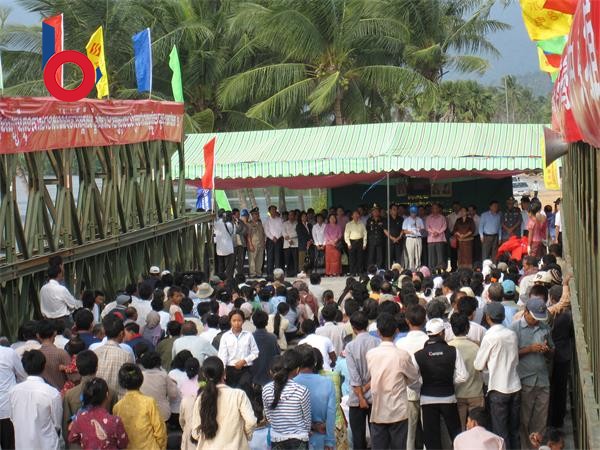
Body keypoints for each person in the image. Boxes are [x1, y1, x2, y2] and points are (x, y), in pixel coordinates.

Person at [366, 313, 419, 450]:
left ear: (378, 332)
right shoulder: (402, 355)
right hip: (398, 411)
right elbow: (414, 378)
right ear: (396, 331)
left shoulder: (371, 354)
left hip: (378, 411)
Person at [414, 318, 468, 450]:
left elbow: (412, 380)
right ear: (442, 333)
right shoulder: (453, 351)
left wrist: (421, 387)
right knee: (455, 434)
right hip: (449, 397)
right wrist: (449, 381)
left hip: (427, 399)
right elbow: (463, 376)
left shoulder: (418, 355)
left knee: (431, 438)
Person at [474, 303, 521, 450]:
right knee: (514, 431)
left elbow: (478, 364)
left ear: (488, 317)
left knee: (501, 433)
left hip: (498, 388)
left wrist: (489, 365)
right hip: (515, 386)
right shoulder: (511, 334)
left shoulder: (490, 337)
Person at [511, 298, 554, 448]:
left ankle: (537, 447)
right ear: (526, 312)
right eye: (534, 317)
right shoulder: (514, 329)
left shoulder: (544, 328)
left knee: (541, 419)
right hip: (525, 380)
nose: (536, 321)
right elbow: (510, 355)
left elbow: (552, 352)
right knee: (524, 419)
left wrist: (547, 350)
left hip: (542, 379)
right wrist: (529, 349)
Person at [191, 356, 257, 450]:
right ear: (224, 373)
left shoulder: (201, 399)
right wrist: (243, 435)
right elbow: (251, 421)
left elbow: (195, 433)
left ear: (205, 376)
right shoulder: (238, 395)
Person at [9, 350, 62, 450]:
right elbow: (57, 424)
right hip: (47, 444)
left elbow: (12, 418)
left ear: (24, 367)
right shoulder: (52, 393)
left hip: (22, 444)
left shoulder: (13, 391)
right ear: (44, 366)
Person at [395, 305, 429, 450]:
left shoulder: (400, 344)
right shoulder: (429, 340)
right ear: (424, 320)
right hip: (427, 390)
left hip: (406, 391)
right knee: (429, 431)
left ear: (407, 321)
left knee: (409, 433)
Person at [262, 350, 312, 449]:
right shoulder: (302, 390)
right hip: (299, 439)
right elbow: (307, 419)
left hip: (277, 439)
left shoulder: (266, 389)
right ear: (297, 370)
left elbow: (269, 416)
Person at [345, 311, 379, 450]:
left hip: (356, 397)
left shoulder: (350, 347)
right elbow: (378, 373)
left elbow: (354, 376)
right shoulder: (378, 342)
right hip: (375, 394)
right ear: (367, 325)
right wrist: (366, 388)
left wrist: (360, 396)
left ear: (353, 328)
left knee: (358, 439)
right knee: (377, 437)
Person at [113, 363, 167, 450]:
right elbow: (160, 431)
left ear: (121, 383)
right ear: (141, 379)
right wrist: (160, 447)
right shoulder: (149, 402)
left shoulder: (117, 408)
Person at [294, 344, 337, 450]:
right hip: (322, 439)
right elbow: (331, 414)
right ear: (314, 362)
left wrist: (311, 426)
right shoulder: (327, 383)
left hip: (298, 440)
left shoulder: (291, 384)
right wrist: (329, 441)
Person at [67, 377, 129, 450]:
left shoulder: (80, 417)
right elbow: (123, 444)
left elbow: (71, 438)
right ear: (107, 395)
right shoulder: (115, 421)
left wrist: (85, 442)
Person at [448, 313, 484, 430]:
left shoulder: (448, 347)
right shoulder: (476, 347)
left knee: (460, 430)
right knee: (478, 429)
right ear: (467, 328)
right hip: (476, 393)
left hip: (457, 394)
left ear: (452, 328)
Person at [218, 309, 259, 399]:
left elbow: (255, 352)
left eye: (239, 320)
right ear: (230, 321)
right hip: (230, 370)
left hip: (245, 370)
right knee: (232, 396)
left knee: (246, 395)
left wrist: (244, 361)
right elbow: (222, 355)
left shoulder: (248, 335)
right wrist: (222, 371)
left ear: (243, 321)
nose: (237, 323)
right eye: (234, 320)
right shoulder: (225, 336)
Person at [547, 285, 572, 428]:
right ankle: (558, 420)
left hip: (550, 356)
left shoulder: (549, 315)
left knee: (550, 387)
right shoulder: (567, 316)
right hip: (564, 355)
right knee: (561, 389)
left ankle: (550, 418)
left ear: (551, 298)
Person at [93, 315, 135, 395]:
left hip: (99, 398)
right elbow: (130, 380)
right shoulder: (126, 356)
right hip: (119, 399)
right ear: (121, 334)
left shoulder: (95, 352)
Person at [138, 350, 180, 422]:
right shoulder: (163, 375)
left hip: (145, 413)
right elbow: (173, 394)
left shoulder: (140, 376)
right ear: (159, 363)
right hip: (162, 414)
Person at [0, 342, 26, 450]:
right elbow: (23, 376)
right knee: (10, 445)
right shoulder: (8, 353)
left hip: (8, 410)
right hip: (8, 409)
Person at [36, 319, 72, 391]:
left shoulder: (35, 355)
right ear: (55, 333)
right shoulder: (62, 353)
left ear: (38, 335)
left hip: (42, 393)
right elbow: (72, 377)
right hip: (62, 394)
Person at [252, 310, 281, 386]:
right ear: (267, 322)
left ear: (254, 323)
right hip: (269, 375)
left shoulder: (250, 337)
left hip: (254, 375)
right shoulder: (273, 337)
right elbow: (278, 353)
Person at [402, 205, 425, 271]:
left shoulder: (419, 219)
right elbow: (404, 231)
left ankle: (418, 268)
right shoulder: (406, 220)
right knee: (410, 254)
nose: (413, 214)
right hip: (410, 238)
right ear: (410, 212)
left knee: (418, 254)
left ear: (416, 212)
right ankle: (411, 269)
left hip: (418, 238)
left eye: (414, 212)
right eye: (412, 212)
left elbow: (422, 229)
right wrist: (411, 232)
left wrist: (419, 229)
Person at [345, 211, 367, 276]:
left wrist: (364, 244)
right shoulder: (348, 224)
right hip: (352, 242)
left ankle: (360, 272)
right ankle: (352, 272)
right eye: (354, 214)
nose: (356, 216)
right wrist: (348, 243)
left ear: (359, 216)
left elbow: (365, 234)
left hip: (360, 241)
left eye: (357, 214)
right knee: (352, 258)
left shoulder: (362, 224)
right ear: (352, 216)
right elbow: (346, 235)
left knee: (360, 258)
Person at [425, 203, 447, 270]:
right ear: (431, 209)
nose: (435, 209)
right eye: (433, 208)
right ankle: (432, 270)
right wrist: (433, 232)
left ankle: (440, 270)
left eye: (436, 208)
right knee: (431, 256)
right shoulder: (428, 217)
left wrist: (438, 232)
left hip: (440, 239)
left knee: (440, 256)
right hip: (431, 239)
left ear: (438, 209)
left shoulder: (442, 217)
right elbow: (427, 227)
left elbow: (444, 226)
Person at [265, 205, 284, 275]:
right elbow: (266, 231)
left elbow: (282, 230)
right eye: (272, 210)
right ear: (269, 211)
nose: (273, 211)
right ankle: (270, 274)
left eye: (274, 210)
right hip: (270, 241)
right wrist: (272, 237)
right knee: (270, 257)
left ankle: (277, 274)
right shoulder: (267, 220)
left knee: (278, 257)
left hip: (278, 240)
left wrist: (277, 237)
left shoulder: (280, 220)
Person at [248, 207, 266, 277]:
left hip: (260, 244)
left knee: (260, 259)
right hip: (253, 244)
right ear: (252, 215)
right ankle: (252, 273)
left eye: (258, 214)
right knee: (252, 260)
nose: (257, 215)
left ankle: (259, 273)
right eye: (256, 214)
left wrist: (264, 242)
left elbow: (263, 234)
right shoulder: (249, 224)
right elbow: (248, 236)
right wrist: (250, 245)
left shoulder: (260, 223)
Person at [283, 210, 299, 276]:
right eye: (289, 215)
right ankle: (289, 273)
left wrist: (290, 236)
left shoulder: (297, 223)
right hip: (287, 244)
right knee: (288, 259)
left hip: (295, 243)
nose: (291, 216)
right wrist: (289, 240)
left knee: (295, 259)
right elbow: (283, 232)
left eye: (292, 215)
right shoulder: (285, 223)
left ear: (294, 216)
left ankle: (295, 272)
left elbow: (297, 233)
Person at [233, 208, 249, 276]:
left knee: (241, 259)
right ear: (233, 215)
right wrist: (239, 231)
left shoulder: (241, 221)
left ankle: (240, 273)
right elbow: (233, 231)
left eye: (239, 214)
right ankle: (234, 273)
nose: (239, 215)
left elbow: (245, 229)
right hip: (234, 244)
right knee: (233, 259)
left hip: (241, 243)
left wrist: (239, 233)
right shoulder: (231, 222)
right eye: (237, 214)